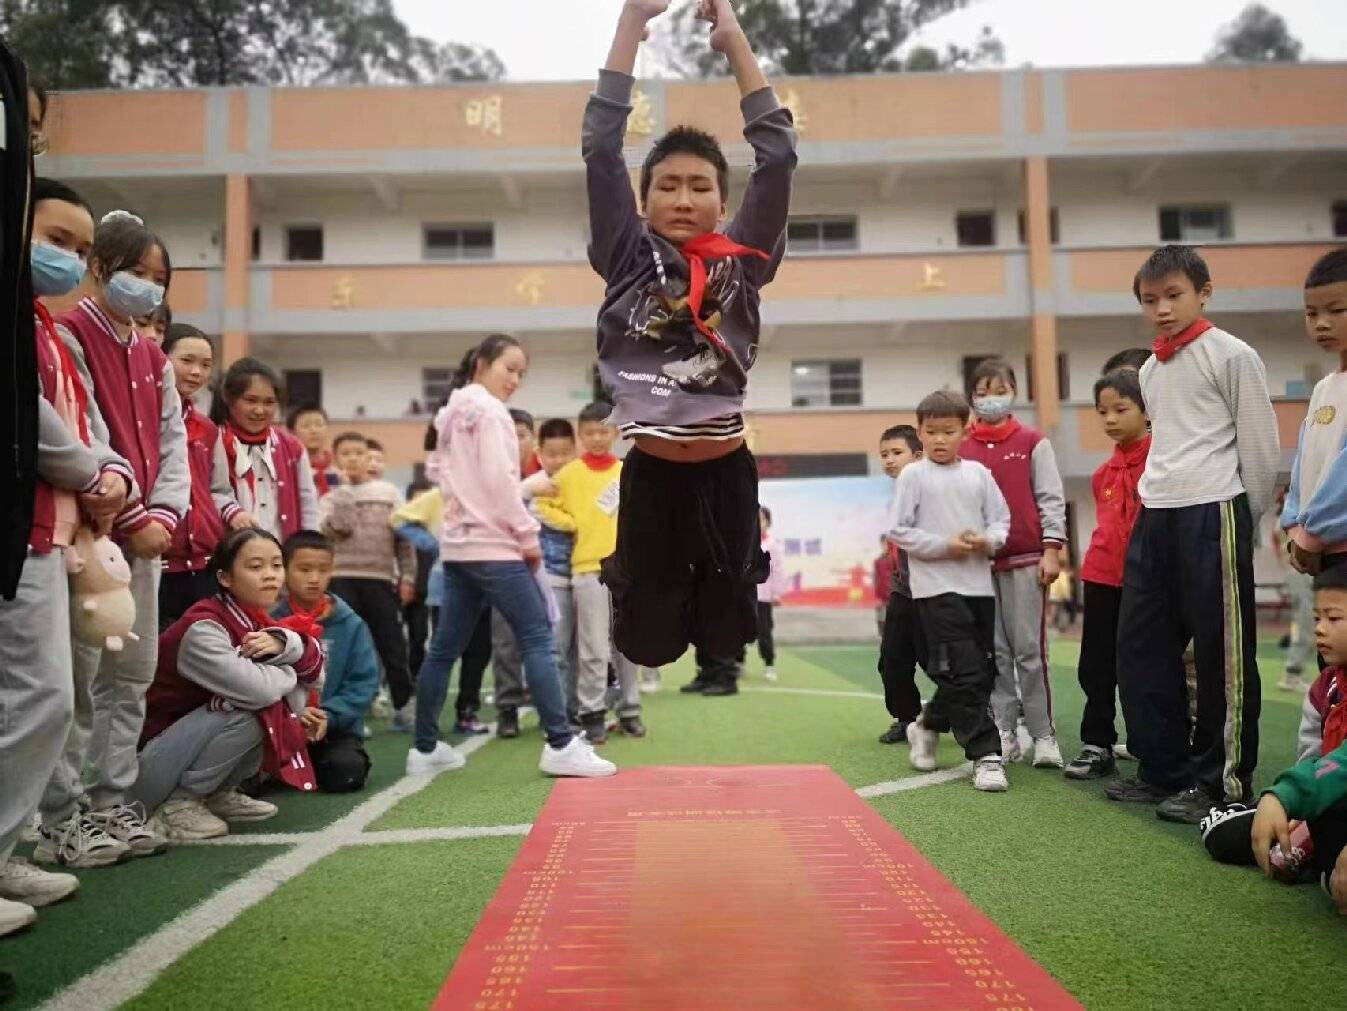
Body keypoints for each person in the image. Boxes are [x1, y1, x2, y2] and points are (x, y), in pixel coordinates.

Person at [588, 0, 796, 672]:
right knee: (645, 643)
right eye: (667, 186)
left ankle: (714, 613)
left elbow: (777, 157)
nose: (683, 198)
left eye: (699, 186)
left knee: (723, 639)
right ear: (643, 200)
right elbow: (599, 146)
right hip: (649, 473)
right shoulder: (624, 254)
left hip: (725, 476)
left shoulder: (743, 254)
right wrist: (629, 26)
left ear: (720, 199)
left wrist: (732, 39)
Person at [0, 178, 134, 931]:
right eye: (56, 240)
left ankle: (11, 847)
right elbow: (32, 417)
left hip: (56, 533)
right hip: (22, 528)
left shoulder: (50, 332)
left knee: (47, 697)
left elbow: (86, 421)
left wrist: (109, 470)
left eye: (81, 251)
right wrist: (92, 469)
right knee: (40, 696)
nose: (72, 260)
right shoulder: (15, 324)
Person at [36, 211, 189, 868]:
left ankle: (110, 801)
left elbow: (173, 443)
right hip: (95, 535)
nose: (147, 289)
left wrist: (165, 517)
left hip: (149, 538)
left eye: (158, 280)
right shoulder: (70, 335)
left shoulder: (153, 355)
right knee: (80, 674)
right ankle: (60, 815)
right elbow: (85, 429)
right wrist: (131, 517)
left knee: (133, 673)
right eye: (136, 273)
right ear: (100, 269)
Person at [1108, 245, 1280, 823]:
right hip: (1158, 515)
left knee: (1221, 656)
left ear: (1204, 293)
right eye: (1149, 300)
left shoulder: (1232, 356)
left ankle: (1222, 783)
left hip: (1215, 511)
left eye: (1173, 295)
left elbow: (1259, 446)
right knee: (1141, 647)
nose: (1161, 309)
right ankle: (1162, 770)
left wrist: (1245, 520)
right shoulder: (1151, 372)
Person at [412, 335, 615, 779]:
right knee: (538, 637)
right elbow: (498, 482)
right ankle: (561, 743)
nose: (515, 380)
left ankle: (424, 745)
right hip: (495, 546)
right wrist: (526, 536)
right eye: (510, 368)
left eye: (522, 372)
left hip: (459, 547)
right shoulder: (490, 413)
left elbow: (441, 476)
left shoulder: (449, 412)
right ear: (482, 364)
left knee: (445, 648)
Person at [134, 528, 324, 841]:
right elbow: (261, 691)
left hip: (178, 748)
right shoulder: (204, 627)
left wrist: (287, 644)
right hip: (145, 763)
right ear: (224, 578)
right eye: (255, 566)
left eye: (276, 565)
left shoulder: (258, 621)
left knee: (286, 706)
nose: (269, 575)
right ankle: (178, 805)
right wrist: (291, 670)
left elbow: (316, 677)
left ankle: (217, 792)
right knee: (255, 711)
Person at [1199, 565, 1347, 906]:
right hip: (1328, 801)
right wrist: (1292, 806)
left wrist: (1287, 795)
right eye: (1317, 618)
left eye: (1334, 619)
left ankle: (1324, 865)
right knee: (1225, 836)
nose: (1320, 629)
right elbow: (1312, 758)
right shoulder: (1324, 690)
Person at [890, 391, 1010, 792]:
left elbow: (1000, 521)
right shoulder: (913, 475)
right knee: (965, 666)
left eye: (948, 431)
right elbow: (900, 530)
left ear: (965, 431)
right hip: (934, 588)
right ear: (920, 432)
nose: (939, 440)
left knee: (980, 668)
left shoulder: (978, 474)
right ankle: (986, 754)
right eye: (931, 432)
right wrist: (946, 546)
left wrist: (985, 540)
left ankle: (928, 722)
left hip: (978, 585)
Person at [960, 357, 1068, 770]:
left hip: (1025, 559)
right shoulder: (963, 447)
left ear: (1014, 392)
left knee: (1029, 650)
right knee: (996, 653)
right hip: (977, 565)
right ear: (971, 398)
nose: (990, 399)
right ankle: (1004, 731)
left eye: (998, 389)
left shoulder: (1032, 442)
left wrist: (1052, 549)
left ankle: (1043, 734)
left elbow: (1050, 498)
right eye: (982, 392)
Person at [1064, 368, 1151, 780]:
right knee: (1095, 666)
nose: (1110, 419)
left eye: (1121, 408)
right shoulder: (1103, 474)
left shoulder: (1161, 464)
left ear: (1148, 410)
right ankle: (1097, 743)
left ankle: (1149, 744)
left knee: (1143, 665)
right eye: (1103, 411)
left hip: (1146, 582)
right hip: (1100, 579)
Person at [544, 402, 645, 736]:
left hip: (628, 572)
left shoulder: (628, 471)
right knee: (593, 649)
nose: (597, 438)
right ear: (580, 435)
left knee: (630, 645)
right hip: (588, 570)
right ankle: (592, 714)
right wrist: (570, 521)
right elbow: (540, 504)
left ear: (615, 432)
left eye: (603, 431)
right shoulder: (569, 474)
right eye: (589, 432)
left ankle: (631, 710)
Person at [320, 432, 417, 730]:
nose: (353, 459)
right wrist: (344, 491)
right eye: (346, 454)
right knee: (345, 648)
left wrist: (408, 577)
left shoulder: (389, 492)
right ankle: (348, 714)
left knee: (393, 646)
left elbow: (405, 540)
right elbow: (341, 528)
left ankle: (404, 707)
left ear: (368, 456)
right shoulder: (330, 498)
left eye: (358, 453)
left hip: (379, 579)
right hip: (341, 580)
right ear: (336, 459)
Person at [158, 324, 248, 629]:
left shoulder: (208, 429)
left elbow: (219, 489)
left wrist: (234, 513)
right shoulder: (144, 419)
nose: (197, 372)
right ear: (161, 358)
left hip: (205, 568)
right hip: (158, 564)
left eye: (206, 364)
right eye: (187, 361)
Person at [275, 531, 378, 793]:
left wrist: (328, 716)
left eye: (323, 570)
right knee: (249, 780)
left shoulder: (350, 623)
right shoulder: (271, 621)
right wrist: (293, 717)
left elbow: (364, 683)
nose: (314, 578)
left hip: (334, 728)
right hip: (282, 729)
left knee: (345, 772)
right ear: (285, 570)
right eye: (304, 569)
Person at [1282, 249, 1347, 590]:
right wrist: (1294, 526)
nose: (1322, 322)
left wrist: (1311, 535)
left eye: (1336, 311)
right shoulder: (1323, 389)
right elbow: (1304, 466)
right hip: (1321, 548)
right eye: (1312, 313)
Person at [217, 358, 319, 542]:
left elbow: (307, 502)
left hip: (281, 553)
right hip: (230, 553)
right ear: (229, 399)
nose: (259, 410)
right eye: (250, 400)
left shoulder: (292, 447)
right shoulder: (214, 442)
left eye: (269, 402)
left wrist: (309, 544)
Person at [875, 423, 926, 746]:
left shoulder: (931, 492)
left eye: (897, 453)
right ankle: (905, 718)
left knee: (941, 661)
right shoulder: (896, 496)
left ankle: (966, 713)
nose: (889, 460)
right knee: (892, 657)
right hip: (903, 591)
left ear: (918, 456)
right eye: (884, 455)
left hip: (934, 591)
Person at [527, 419, 581, 723]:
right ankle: (556, 714)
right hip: (551, 577)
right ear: (540, 453)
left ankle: (574, 710)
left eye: (565, 453)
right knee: (556, 648)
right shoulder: (533, 488)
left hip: (585, 573)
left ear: (575, 451)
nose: (559, 460)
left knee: (578, 651)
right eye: (552, 454)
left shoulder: (581, 481)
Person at [756, 506, 785, 681]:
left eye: (762, 519)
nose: (759, 522)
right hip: (745, 595)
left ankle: (769, 664)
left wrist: (776, 594)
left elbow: (777, 570)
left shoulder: (772, 545)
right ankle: (738, 662)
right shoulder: (745, 542)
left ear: (768, 522)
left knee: (764, 631)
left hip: (763, 596)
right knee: (738, 629)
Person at [288, 403, 341, 497]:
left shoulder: (339, 465)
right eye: (306, 426)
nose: (314, 430)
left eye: (319, 425)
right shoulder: (288, 469)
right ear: (292, 432)